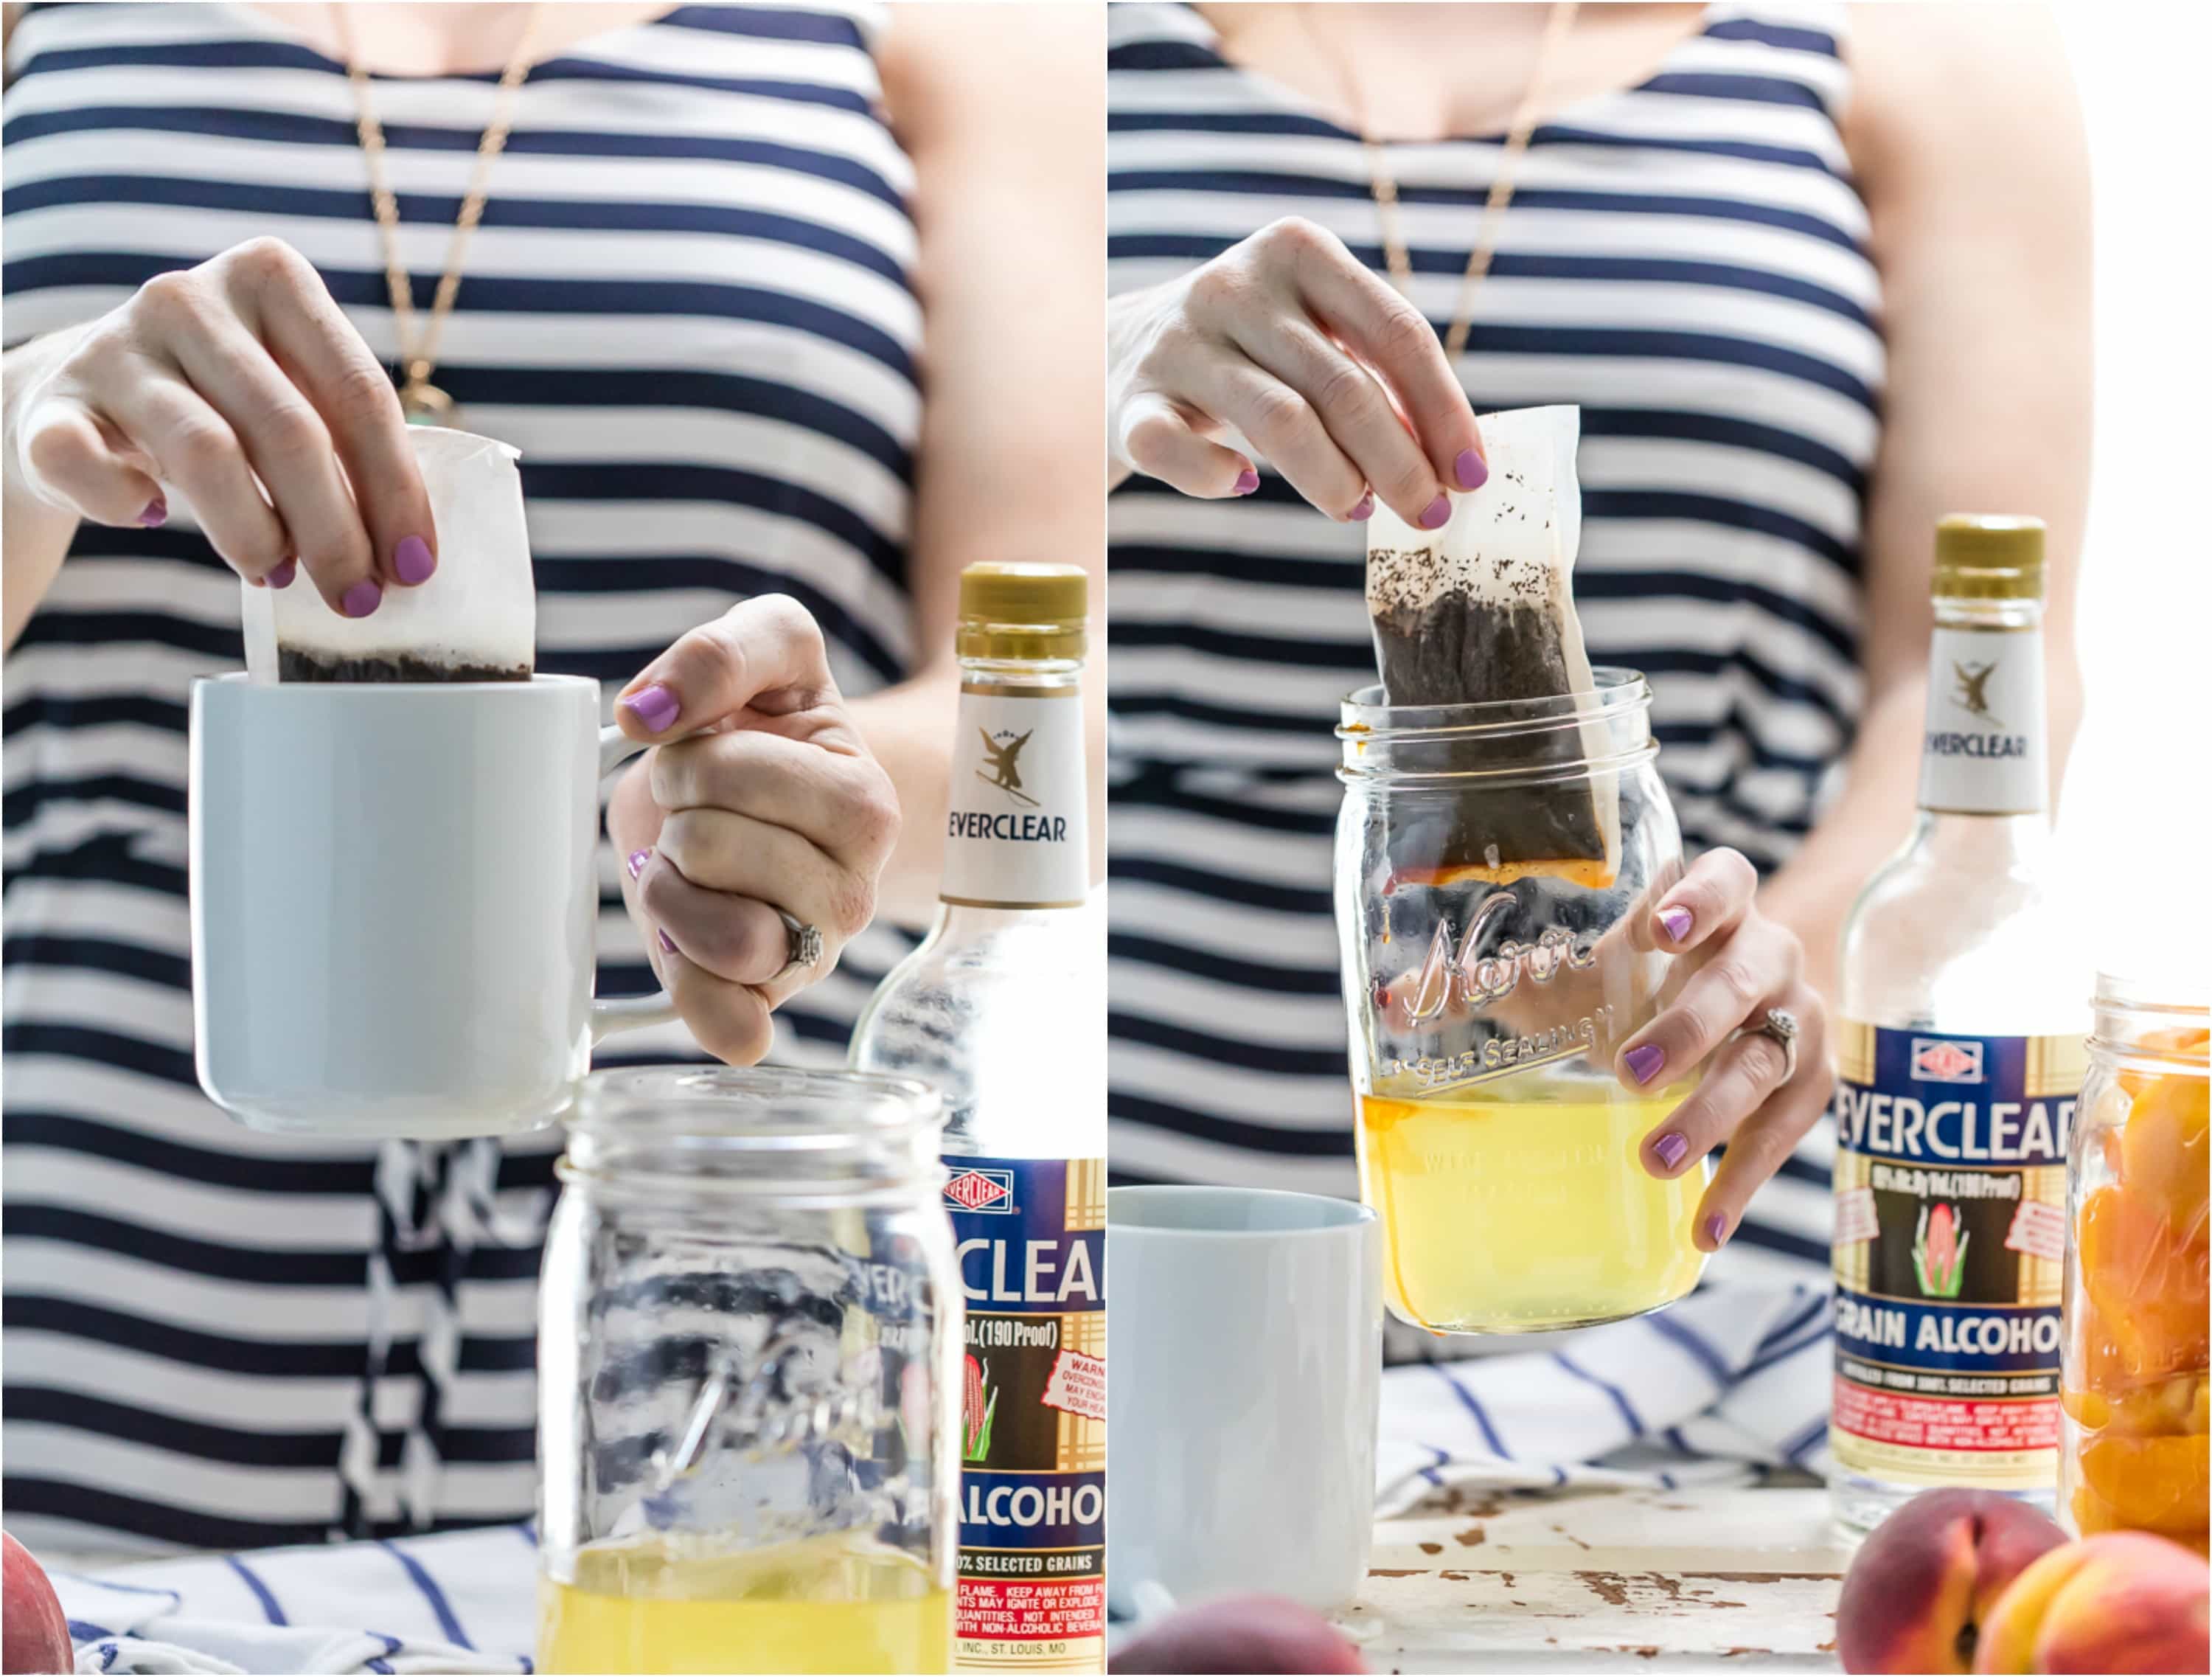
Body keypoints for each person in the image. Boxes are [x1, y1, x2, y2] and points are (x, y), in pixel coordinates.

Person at [2, 0, 1099, 1552]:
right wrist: (20, 416)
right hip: (81, 1337)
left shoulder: (952, 39)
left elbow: (1054, 702)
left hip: (720, 1332)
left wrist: (814, 803)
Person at [1105, 2, 2088, 1291]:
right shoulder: (1058, 43)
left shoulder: (1917, 55)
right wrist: (1113, 355)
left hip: (1665, 1221)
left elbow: (1974, 668)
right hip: (1130, 1251)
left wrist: (1764, 983)